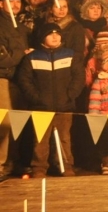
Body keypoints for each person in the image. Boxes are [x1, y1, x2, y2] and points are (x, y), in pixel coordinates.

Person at [15, 23, 83, 178]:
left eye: (57, 33)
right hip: (40, 107)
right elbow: (24, 80)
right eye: (50, 34)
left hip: (64, 106)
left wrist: (70, 95)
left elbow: (78, 77)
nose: (55, 36)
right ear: (42, 37)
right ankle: (39, 167)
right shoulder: (32, 57)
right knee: (40, 139)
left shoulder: (70, 55)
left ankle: (65, 165)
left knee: (64, 138)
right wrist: (36, 99)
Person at [1, 0, 30, 177]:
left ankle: (13, 161)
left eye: (18, 1)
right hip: (4, 78)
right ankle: (1, 164)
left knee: (19, 122)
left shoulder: (20, 26)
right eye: (10, 1)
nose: (15, 5)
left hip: (20, 79)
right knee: (5, 122)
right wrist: (21, 55)